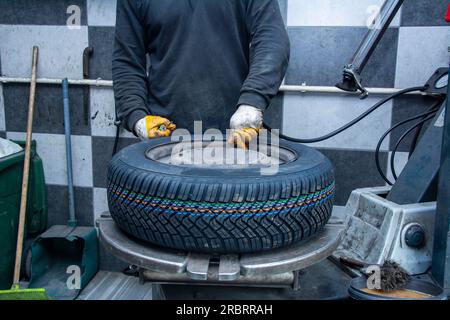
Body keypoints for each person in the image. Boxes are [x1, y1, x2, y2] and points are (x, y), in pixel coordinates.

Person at [112, 0, 290, 149]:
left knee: (234, 191)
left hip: (237, 133)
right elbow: (127, 63)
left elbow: (271, 39)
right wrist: (137, 117)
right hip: (165, 136)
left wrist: (252, 102)